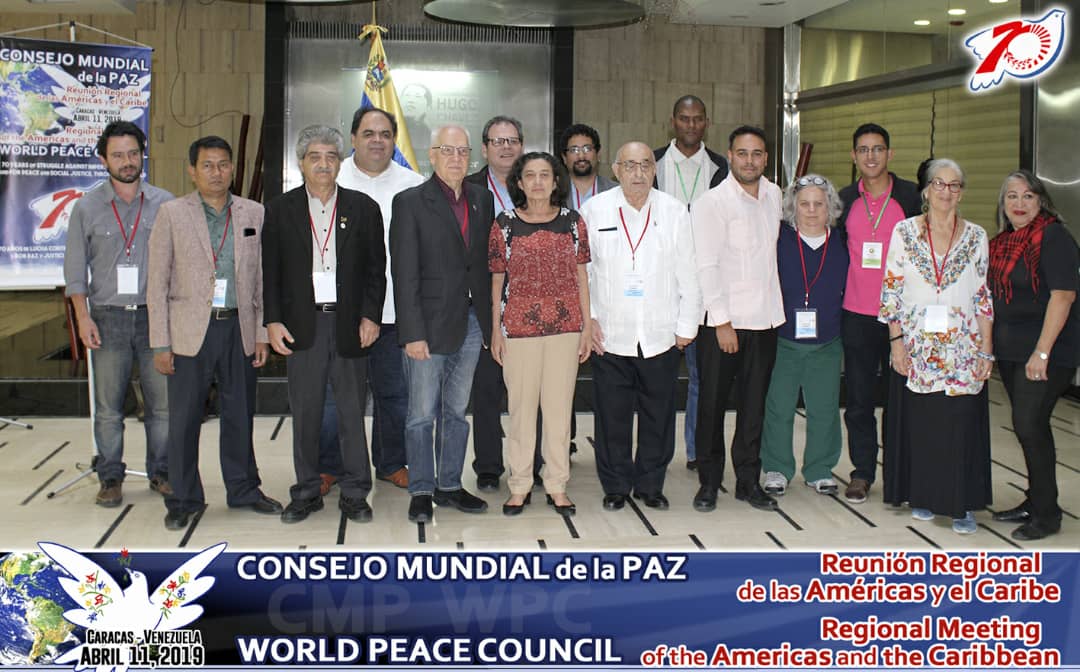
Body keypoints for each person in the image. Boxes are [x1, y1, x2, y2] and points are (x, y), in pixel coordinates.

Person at [147, 136, 283, 530]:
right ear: (192, 171)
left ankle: (243, 489)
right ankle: (183, 497)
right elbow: (156, 283)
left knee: (239, 414)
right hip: (189, 332)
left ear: (232, 169)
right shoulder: (172, 214)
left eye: (223, 164)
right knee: (185, 418)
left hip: (239, 327)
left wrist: (261, 332)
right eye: (207, 165)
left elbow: (263, 279)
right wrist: (161, 343)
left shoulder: (254, 212)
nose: (217, 172)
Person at [262, 125, 386, 524]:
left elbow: (376, 271)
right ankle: (306, 490)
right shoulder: (279, 210)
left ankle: (356, 491)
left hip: (349, 323)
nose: (323, 164)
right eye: (315, 157)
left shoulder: (363, 208)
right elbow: (270, 272)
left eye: (331, 157)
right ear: (301, 163)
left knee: (351, 412)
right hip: (302, 325)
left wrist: (371, 316)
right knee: (306, 413)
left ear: (340, 162)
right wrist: (272, 321)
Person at [581, 142, 701, 511]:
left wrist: (687, 325)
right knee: (611, 416)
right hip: (609, 333)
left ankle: (651, 484)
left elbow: (688, 272)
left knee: (658, 414)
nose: (638, 173)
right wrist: (589, 320)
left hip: (660, 333)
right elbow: (583, 273)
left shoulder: (674, 211)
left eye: (646, 165)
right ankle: (615, 485)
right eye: (630, 165)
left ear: (655, 170)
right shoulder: (594, 209)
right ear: (616, 169)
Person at [881, 159, 994, 535]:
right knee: (925, 424)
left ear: (961, 192)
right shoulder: (904, 232)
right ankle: (925, 496)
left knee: (960, 424)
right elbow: (892, 289)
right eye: (939, 184)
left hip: (963, 347)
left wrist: (986, 348)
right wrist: (896, 342)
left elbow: (982, 295)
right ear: (926, 191)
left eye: (954, 185)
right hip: (919, 346)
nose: (947, 192)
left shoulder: (977, 236)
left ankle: (961, 504)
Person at [63, 121, 173, 507]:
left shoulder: (165, 203)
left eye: (133, 153)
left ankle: (162, 472)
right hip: (107, 317)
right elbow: (75, 270)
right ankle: (110, 476)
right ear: (103, 160)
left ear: (143, 154)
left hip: (155, 318)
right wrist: (83, 318)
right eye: (118, 155)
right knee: (109, 409)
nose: (127, 161)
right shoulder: (86, 207)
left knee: (162, 406)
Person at [391, 125, 495, 523]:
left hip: (471, 323)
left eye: (462, 151)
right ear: (431, 155)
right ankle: (421, 489)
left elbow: (483, 265)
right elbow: (404, 273)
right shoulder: (410, 202)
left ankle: (449, 484)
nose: (456, 158)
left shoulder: (482, 199)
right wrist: (411, 333)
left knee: (456, 410)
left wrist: (491, 322)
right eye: (447, 150)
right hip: (427, 327)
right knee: (421, 413)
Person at [490, 152, 591, 516]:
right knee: (520, 411)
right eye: (529, 175)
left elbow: (582, 277)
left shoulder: (573, 222)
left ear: (555, 181)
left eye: (544, 175)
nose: (537, 182)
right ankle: (519, 485)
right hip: (518, 330)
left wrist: (586, 326)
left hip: (565, 330)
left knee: (559, 411)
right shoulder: (504, 224)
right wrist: (495, 330)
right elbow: (497, 281)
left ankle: (557, 484)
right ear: (519, 183)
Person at [332, 106, 426, 491]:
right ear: (353, 138)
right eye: (369, 133)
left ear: (394, 140)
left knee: (394, 395)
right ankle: (334, 465)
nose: (377, 141)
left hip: (395, 314)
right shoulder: (332, 178)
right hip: (340, 313)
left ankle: (390, 462)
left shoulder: (414, 185)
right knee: (339, 397)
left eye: (385, 134)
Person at [690, 125, 783, 512]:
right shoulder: (711, 203)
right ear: (729, 155)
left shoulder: (775, 195)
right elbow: (706, 265)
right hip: (723, 325)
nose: (749, 161)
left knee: (753, 407)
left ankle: (748, 480)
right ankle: (709, 483)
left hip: (765, 320)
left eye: (757, 154)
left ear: (766, 159)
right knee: (712, 405)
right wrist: (722, 321)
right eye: (742, 153)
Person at [989, 169, 1079, 541]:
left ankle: (1047, 514)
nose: (1020, 203)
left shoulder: (1053, 236)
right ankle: (1037, 499)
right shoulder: (1002, 242)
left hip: (1048, 351)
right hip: (1012, 351)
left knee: (1029, 424)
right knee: (1028, 427)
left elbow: (1063, 296)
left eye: (1028, 196)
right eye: (1012, 196)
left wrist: (1042, 352)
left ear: (1041, 201)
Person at [836, 123, 922, 504]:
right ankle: (862, 472)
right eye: (863, 149)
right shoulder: (843, 201)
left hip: (902, 318)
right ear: (854, 156)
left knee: (901, 400)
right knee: (858, 399)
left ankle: (901, 473)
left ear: (890, 154)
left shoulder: (911, 198)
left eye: (877, 149)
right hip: (856, 314)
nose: (870, 156)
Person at [654, 95, 730, 473]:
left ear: (706, 122)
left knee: (702, 378)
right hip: (659, 288)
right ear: (673, 121)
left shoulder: (722, 168)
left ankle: (697, 450)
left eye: (697, 119)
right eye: (684, 118)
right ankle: (656, 453)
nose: (690, 125)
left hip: (704, 288)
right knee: (659, 381)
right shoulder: (652, 164)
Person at [761, 175, 849, 496]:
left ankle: (820, 468)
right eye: (804, 204)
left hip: (827, 341)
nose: (811, 210)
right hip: (783, 339)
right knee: (778, 407)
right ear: (792, 208)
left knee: (824, 409)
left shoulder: (843, 242)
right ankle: (776, 467)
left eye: (819, 204)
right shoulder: (778, 239)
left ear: (830, 208)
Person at [465, 116, 526, 492]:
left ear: (522, 145)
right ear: (485, 148)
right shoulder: (467, 188)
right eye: (498, 141)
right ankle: (488, 466)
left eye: (512, 140)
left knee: (529, 392)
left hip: (531, 307)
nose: (506, 147)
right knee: (486, 390)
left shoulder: (537, 183)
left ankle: (530, 462)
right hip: (484, 306)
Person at [559, 123, 617, 210]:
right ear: (564, 158)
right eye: (574, 150)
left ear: (598, 154)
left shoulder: (615, 191)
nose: (581, 156)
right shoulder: (554, 193)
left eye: (587, 149)